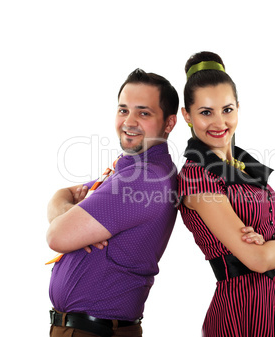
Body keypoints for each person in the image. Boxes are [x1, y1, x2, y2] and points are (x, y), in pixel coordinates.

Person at [177, 52, 275, 336]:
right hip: (243, 306)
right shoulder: (196, 176)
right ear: (187, 116)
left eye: (227, 109)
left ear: (238, 108)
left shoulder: (245, 166)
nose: (219, 122)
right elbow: (259, 260)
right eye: (205, 112)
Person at [46, 69, 179, 337]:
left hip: (95, 331)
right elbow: (66, 195)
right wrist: (69, 210)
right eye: (123, 110)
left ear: (169, 123)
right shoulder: (128, 167)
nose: (129, 122)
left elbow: (57, 236)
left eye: (144, 113)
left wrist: (70, 222)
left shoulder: (143, 178)